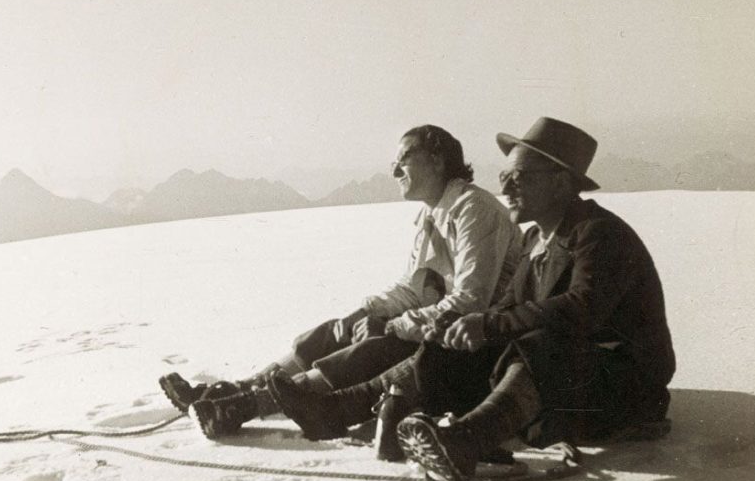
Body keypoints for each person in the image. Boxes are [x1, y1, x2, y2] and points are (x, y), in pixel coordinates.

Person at [269, 117, 676, 481]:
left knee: (538, 341)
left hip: (624, 389)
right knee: (454, 343)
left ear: (561, 183)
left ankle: (468, 441)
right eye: (504, 177)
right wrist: (458, 329)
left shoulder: (599, 235)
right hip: (564, 382)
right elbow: (506, 308)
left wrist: (489, 325)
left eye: (519, 178)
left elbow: (580, 309)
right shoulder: (537, 241)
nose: (507, 189)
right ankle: (337, 408)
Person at [161, 124, 522, 439]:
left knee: (375, 347)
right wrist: (364, 313)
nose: (396, 169)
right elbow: (412, 288)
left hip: (472, 342)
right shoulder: (432, 215)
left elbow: (471, 300)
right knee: (336, 331)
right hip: (440, 324)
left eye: (405, 158)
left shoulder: (474, 209)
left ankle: (244, 406)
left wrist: (392, 325)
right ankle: (234, 391)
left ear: (438, 159)